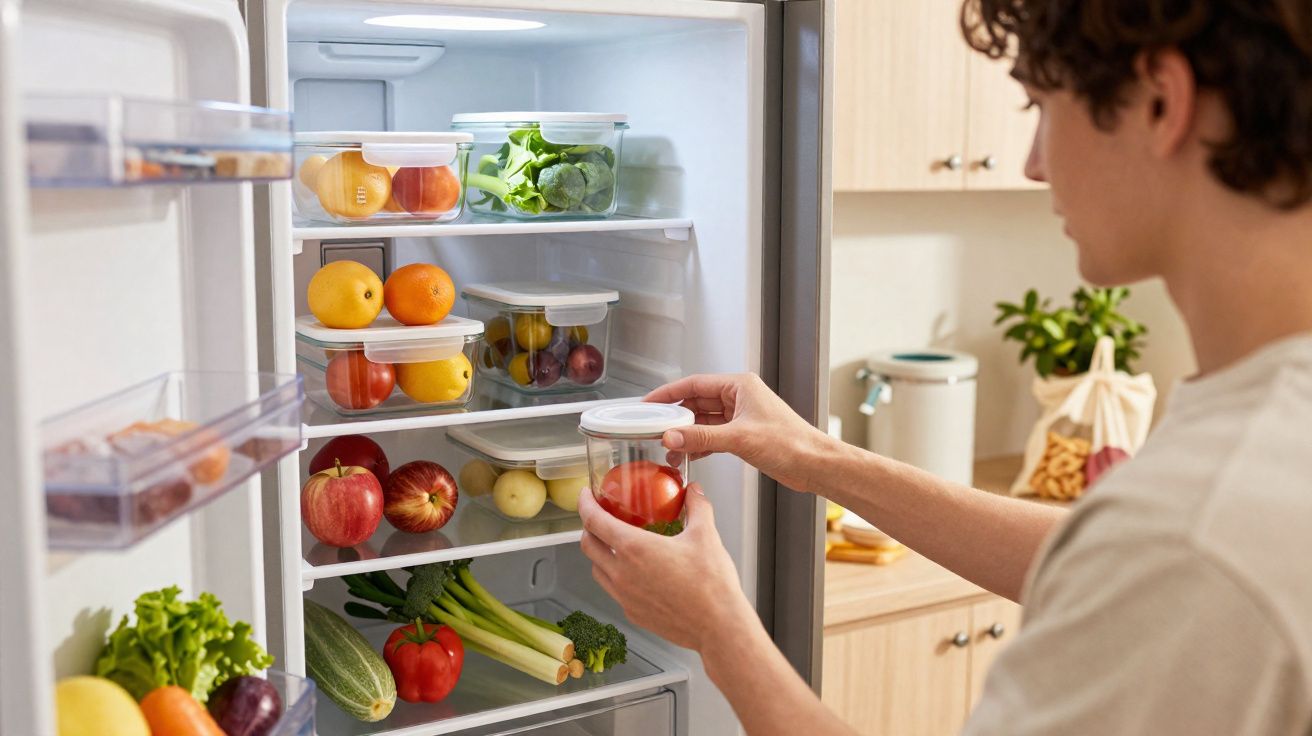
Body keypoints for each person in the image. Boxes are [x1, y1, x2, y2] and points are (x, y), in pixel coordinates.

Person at [576, 1, 1312, 734]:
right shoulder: (1248, 465)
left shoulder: (1201, 527)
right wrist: (815, 457)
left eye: (1040, 106)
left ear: (1160, 101)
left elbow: (1151, 563)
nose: (1031, 161)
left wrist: (718, 630)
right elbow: (1102, 563)